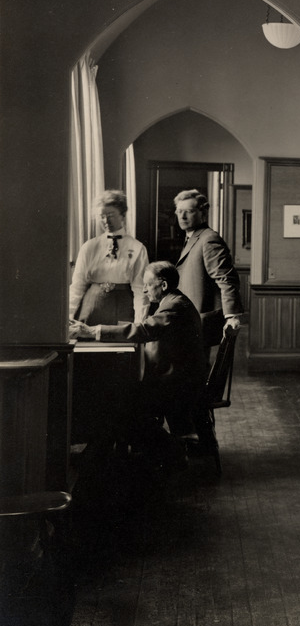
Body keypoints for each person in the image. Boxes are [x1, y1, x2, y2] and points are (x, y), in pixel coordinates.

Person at [71, 261, 206, 441]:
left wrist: (92, 331)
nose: (144, 290)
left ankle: (166, 449)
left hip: (176, 385)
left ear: (163, 285)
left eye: (148, 285)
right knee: (118, 398)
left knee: (118, 401)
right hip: (176, 379)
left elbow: (144, 330)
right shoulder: (174, 301)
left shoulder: (173, 306)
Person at [172, 188, 243, 347]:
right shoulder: (192, 238)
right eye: (179, 211)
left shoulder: (209, 239)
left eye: (189, 211)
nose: (182, 216)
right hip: (191, 317)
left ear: (203, 213)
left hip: (200, 319)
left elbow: (226, 278)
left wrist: (231, 316)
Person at [69, 190, 149, 325]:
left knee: (121, 337)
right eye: (102, 216)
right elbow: (77, 285)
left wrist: (139, 324)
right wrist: (68, 317)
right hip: (91, 309)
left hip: (123, 309)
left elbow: (140, 290)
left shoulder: (137, 248)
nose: (106, 221)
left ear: (123, 215)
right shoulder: (89, 247)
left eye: (111, 215)